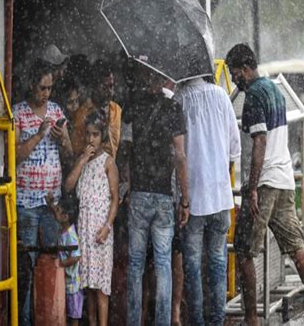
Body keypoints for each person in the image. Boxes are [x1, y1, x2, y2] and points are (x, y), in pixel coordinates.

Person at [225, 43, 304, 326]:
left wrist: (251, 188)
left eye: (233, 72)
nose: (234, 78)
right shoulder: (275, 90)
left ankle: (252, 319)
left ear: (244, 69)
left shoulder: (253, 96)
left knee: (244, 251)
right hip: (285, 180)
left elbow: (260, 141)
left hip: (264, 184)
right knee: (297, 249)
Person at [124, 64, 190, 326]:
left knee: (136, 263)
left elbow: (126, 149)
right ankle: (163, 321)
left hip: (139, 193)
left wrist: (129, 183)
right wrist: (185, 199)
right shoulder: (173, 109)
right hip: (163, 195)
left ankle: (133, 321)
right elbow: (180, 157)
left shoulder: (133, 105)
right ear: (163, 78)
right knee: (163, 263)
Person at [174, 76, 241, 326]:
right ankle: (217, 320)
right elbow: (235, 148)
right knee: (217, 261)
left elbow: (177, 154)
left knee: (192, 266)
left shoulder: (179, 100)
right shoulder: (222, 96)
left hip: (193, 200)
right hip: (221, 198)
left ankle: (198, 322)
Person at [13, 58, 73, 325]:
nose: (46, 93)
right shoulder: (18, 113)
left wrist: (63, 140)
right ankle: (25, 320)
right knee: (26, 268)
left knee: (51, 266)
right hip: (26, 202)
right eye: (41, 88)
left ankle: (50, 318)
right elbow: (14, 156)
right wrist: (37, 135)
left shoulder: (58, 111)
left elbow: (70, 153)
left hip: (51, 204)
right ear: (31, 85)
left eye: (49, 88)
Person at [64, 111, 119, 326]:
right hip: (84, 228)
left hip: (100, 230)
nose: (90, 139)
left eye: (95, 135)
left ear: (102, 136)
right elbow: (68, 186)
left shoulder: (108, 162)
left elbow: (115, 199)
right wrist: (82, 160)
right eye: (88, 134)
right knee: (87, 283)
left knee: (101, 287)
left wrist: (107, 226)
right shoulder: (83, 160)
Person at [46, 192, 83, 326]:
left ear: (65, 216)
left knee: (74, 313)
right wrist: (51, 205)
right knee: (67, 310)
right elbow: (56, 213)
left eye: (58, 210)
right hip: (66, 281)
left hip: (73, 283)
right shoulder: (64, 228)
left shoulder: (70, 236)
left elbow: (76, 256)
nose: (55, 211)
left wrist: (61, 263)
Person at [72, 60, 122, 158]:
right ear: (94, 87)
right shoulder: (82, 113)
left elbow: (117, 147)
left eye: (111, 86)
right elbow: (77, 149)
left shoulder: (116, 110)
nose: (110, 92)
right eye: (104, 87)